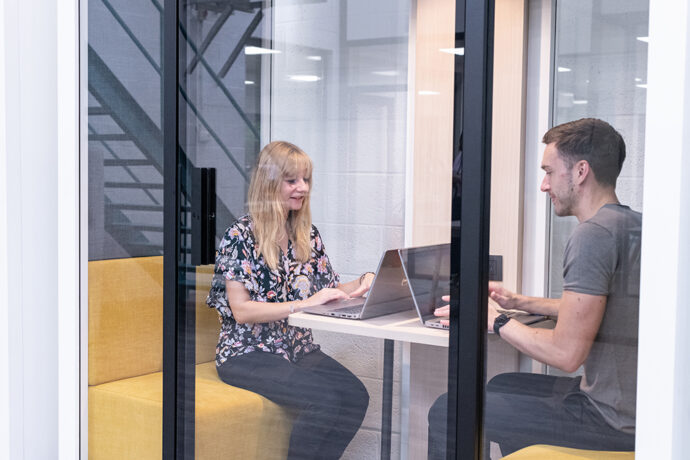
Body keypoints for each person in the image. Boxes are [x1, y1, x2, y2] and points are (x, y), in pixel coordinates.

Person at [428, 118, 641, 457]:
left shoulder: (593, 235)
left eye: (549, 172)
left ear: (581, 171)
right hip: (633, 412)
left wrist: (495, 319)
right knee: (503, 384)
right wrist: (519, 301)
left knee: (448, 408)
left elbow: (566, 355)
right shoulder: (631, 223)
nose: (544, 185)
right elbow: (603, 308)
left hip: (607, 421)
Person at [206, 141, 372, 460]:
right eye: (292, 180)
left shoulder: (306, 234)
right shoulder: (240, 236)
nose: (303, 188)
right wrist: (303, 305)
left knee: (355, 397)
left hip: (296, 348)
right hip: (247, 353)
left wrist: (366, 281)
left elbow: (328, 289)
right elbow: (241, 311)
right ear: (270, 183)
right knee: (323, 400)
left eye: (306, 179)